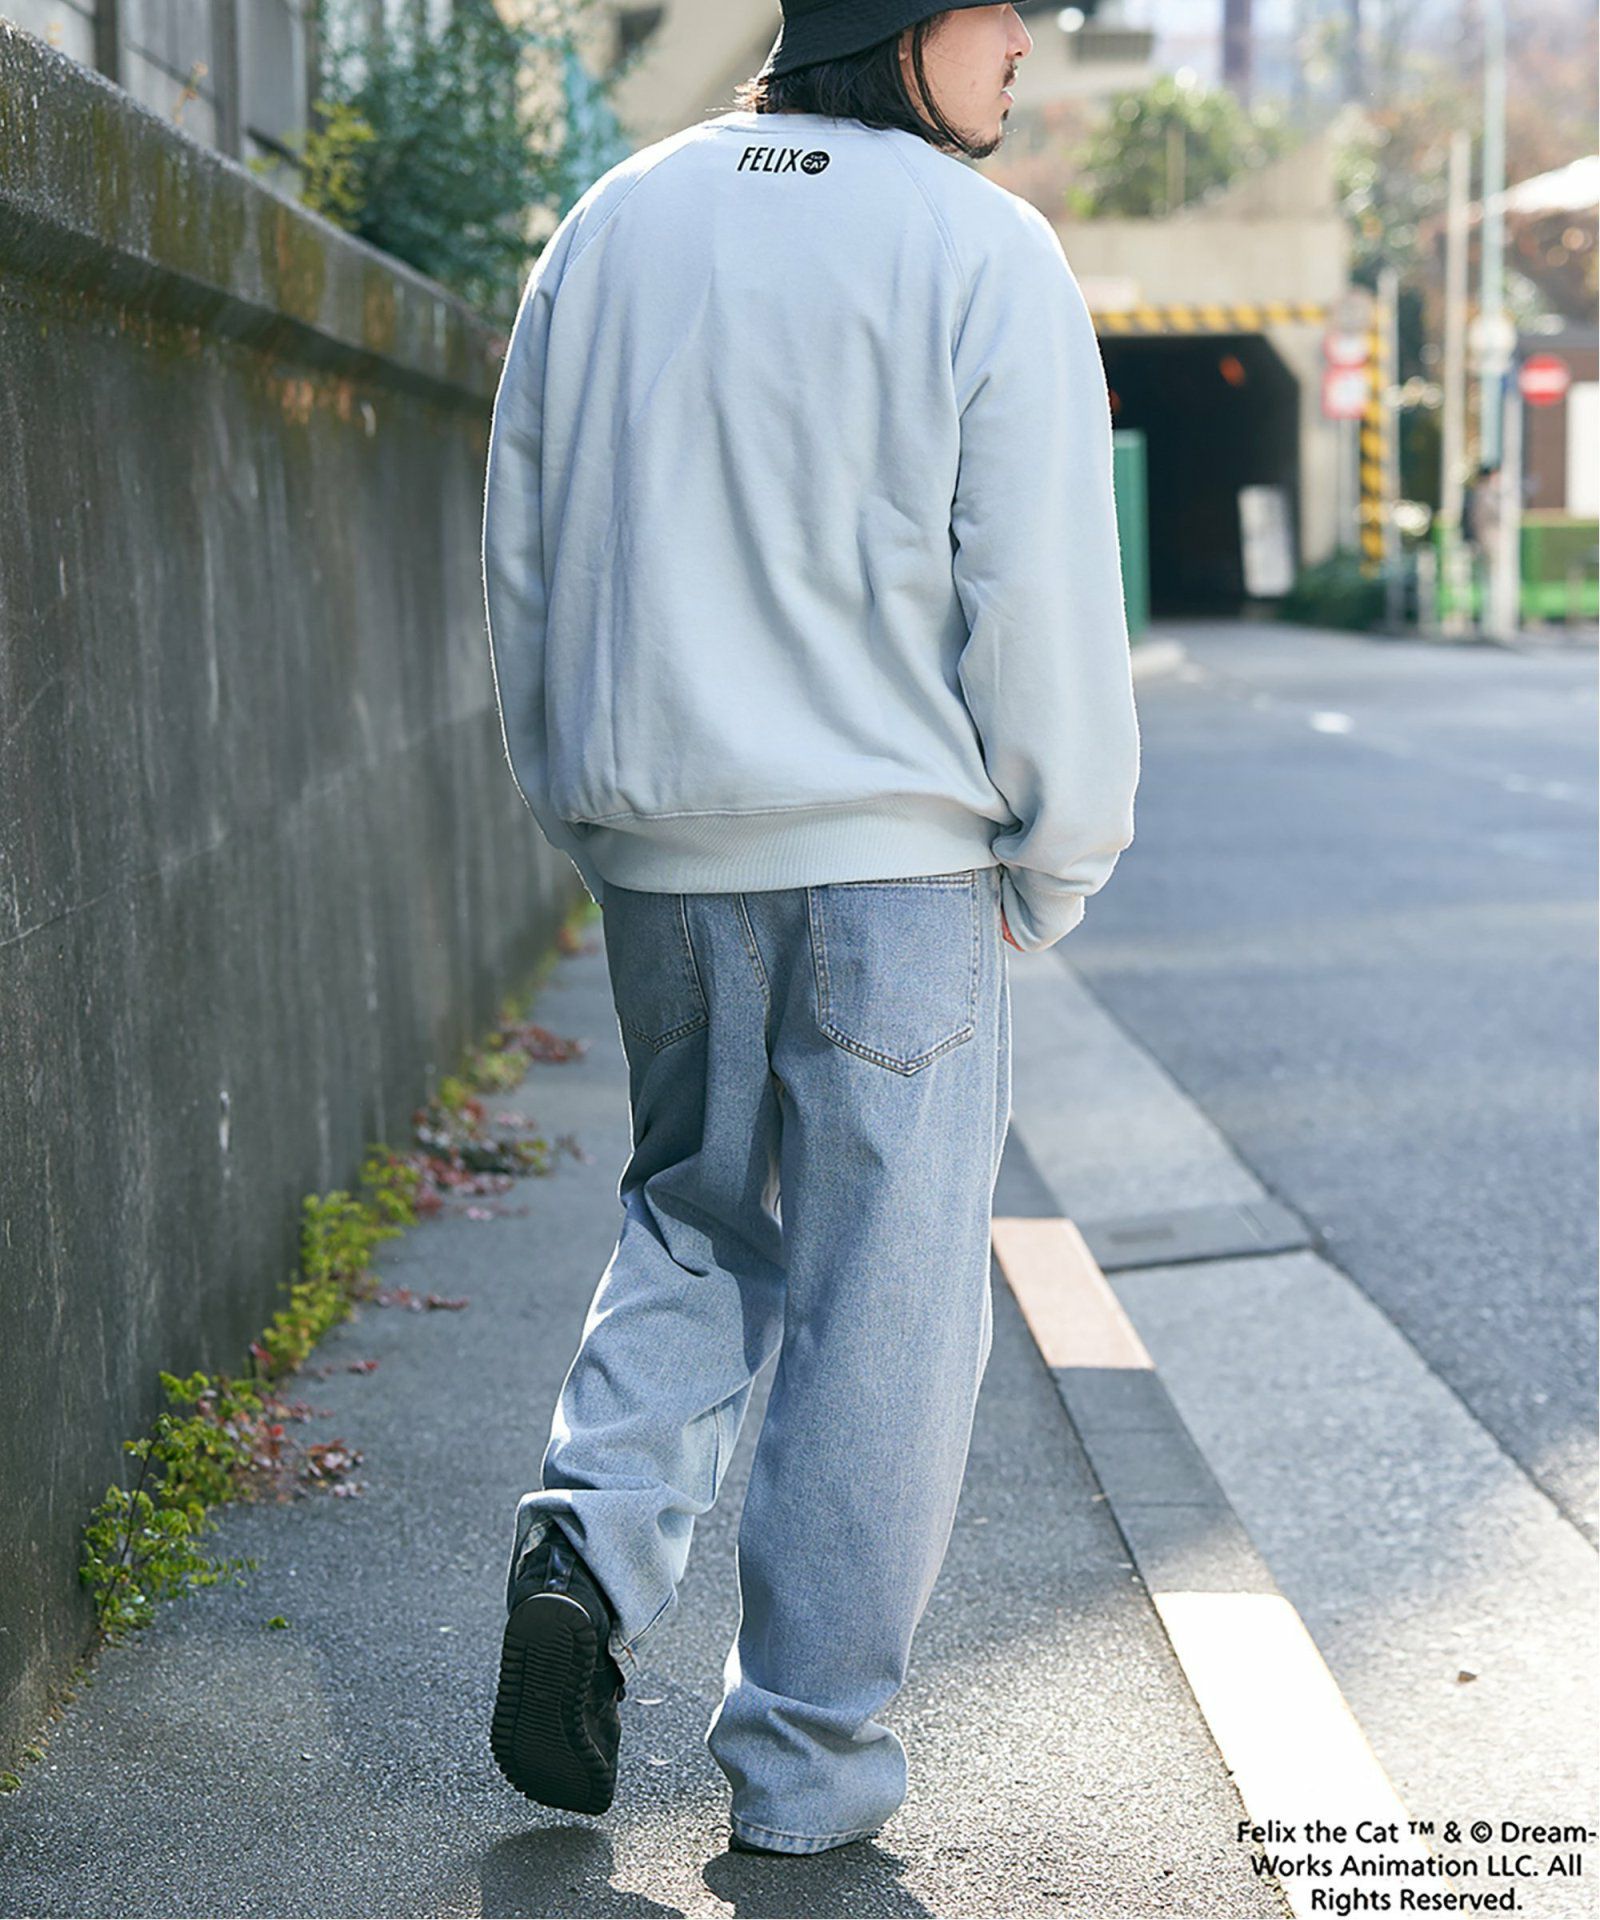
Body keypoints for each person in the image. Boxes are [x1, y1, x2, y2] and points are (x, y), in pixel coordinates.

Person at [479, 0, 1141, 1858]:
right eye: (999, 9)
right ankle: (801, 1767)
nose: (1027, 42)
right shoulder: (980, 248)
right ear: (906, 26)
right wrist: (1058, 856)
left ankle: (588, 1544)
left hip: (664, 846)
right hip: (896, 870)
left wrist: (589, 807)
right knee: (885, 1307)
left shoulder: (613, 221)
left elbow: (524, 552)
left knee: (691, 1218)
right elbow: (1040, 591)